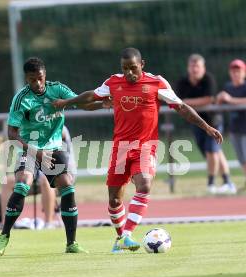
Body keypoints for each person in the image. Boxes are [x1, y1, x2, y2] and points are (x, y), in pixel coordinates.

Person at [53, 47, 222, 253]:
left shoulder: (156, 83)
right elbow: (92, 95)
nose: (129, 73)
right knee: (114, 199)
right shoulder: (114, 82)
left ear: (142, 64)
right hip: (120, 148)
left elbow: (182, 107)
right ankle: (120, 237)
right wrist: (66, 102)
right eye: (125, 69)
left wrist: (207, 127)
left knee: (145, 185)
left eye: (133, 68)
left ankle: (127, 234)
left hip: (145, 146)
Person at [0, 57, 106, 256]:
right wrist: (35, 152)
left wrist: (104, 104)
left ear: (45, 75)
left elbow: (83, 103)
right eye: (31, 80)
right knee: (22, 183)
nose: (37, 83)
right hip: (30, 149)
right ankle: (4, 236)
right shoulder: (22, 98)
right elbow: (12, 133)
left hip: (53, 148)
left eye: (40, 78)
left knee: (67, 185)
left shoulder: (58, 89)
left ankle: (71, 243)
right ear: (26, 79)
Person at [175, 54, 235, 194]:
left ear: (203, 68)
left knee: (212, 151)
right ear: (188, 67)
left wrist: (188, 102)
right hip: (196, 123)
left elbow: (208, 99)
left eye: (198, 66)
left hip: (213, 121)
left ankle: (211, 183)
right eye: (192, 66)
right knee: (213, 153)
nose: (195, 69)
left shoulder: (208, 79)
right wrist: (187, 103)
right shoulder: (183, 82)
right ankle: (228, 182)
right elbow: (178, 101)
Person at [0, 126, 76, 229]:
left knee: (45, 179)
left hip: (62, 175)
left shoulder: (58, 127)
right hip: (35, 175)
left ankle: (48, 223)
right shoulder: (30, 128)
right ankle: (6, 225)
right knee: (7, 182)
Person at [216, 59, 246, 190]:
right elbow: (221, 102)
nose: (236, 74)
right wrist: (220, 98)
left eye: (238, 71)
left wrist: (230, 99)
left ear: (244, 72)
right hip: (234, 128)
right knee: (241, 159)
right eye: (233, 71)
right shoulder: (228, 87)